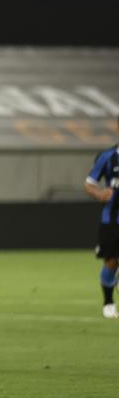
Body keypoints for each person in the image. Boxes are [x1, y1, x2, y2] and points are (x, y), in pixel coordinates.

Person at [83, 128, 119, 319]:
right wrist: (99, 194)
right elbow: (89, 183)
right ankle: (108, 302)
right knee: (111, 262)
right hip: (111, 219)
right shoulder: (108, 156)